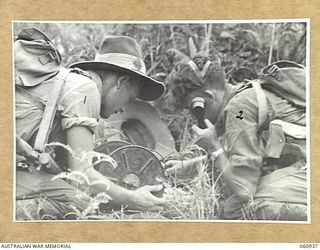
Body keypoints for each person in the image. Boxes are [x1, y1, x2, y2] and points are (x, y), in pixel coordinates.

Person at [15, 27, 166, 220]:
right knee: (82, 204)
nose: (122, 109)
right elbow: (82, 176)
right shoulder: (86, 90)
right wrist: (132, 198)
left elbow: (67, 168)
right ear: (122, 81)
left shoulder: (70, 83)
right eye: (130, 99)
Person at [165, 53, 307, 220]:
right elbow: (240, 153)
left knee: (239, 209)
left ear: (209, 98)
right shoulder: (243, 94)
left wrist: (214, 147)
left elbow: (245, 189)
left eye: (192, 108)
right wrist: (189, 165)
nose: (192, 115)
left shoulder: (238, 110)